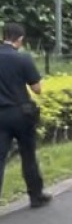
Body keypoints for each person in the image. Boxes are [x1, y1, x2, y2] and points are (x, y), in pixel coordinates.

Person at [0, 22, 52, 208]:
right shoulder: (23, 59)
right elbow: (37, 89)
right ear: (20, 39)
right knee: (28, 155)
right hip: (21, 113)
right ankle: (36, 196)